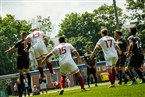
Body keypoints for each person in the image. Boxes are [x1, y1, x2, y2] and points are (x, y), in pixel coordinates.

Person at [5, 32, 31, 97]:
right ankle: (30, 85)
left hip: (20, 58)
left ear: (22, 35)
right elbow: (27, 50)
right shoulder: (29, 43)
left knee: (21, 73)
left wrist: (7, 51)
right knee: (27, 71)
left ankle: (22, 85)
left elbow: (13, 48)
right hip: (26, 58)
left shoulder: (19, 42)